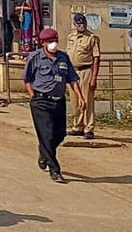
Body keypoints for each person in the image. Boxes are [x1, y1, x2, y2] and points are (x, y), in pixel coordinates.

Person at [24, 28, 86, 183]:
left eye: (55, 40)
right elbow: (27, 79)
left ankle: (44, 152)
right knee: (47, 134)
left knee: (59, 134)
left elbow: (72, 79)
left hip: (58, 101)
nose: (53, 44)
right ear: (43, 43)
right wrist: (32, 96)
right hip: (41, 102)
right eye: (50, 41)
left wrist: (80, 97)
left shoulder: (63, 58)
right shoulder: (35, 57)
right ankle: (55, 170)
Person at [67, 14, 101, 140]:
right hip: (72, 72)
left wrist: (93, 78)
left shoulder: (92, 38)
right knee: (74, 101)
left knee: (87, 100)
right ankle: (78, 126)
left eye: (83, 23)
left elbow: (96, 59)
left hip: (85, 71)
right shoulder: (71, 36)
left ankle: (89, 128)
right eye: (79, 23)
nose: (81, 26)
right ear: (75, 24)